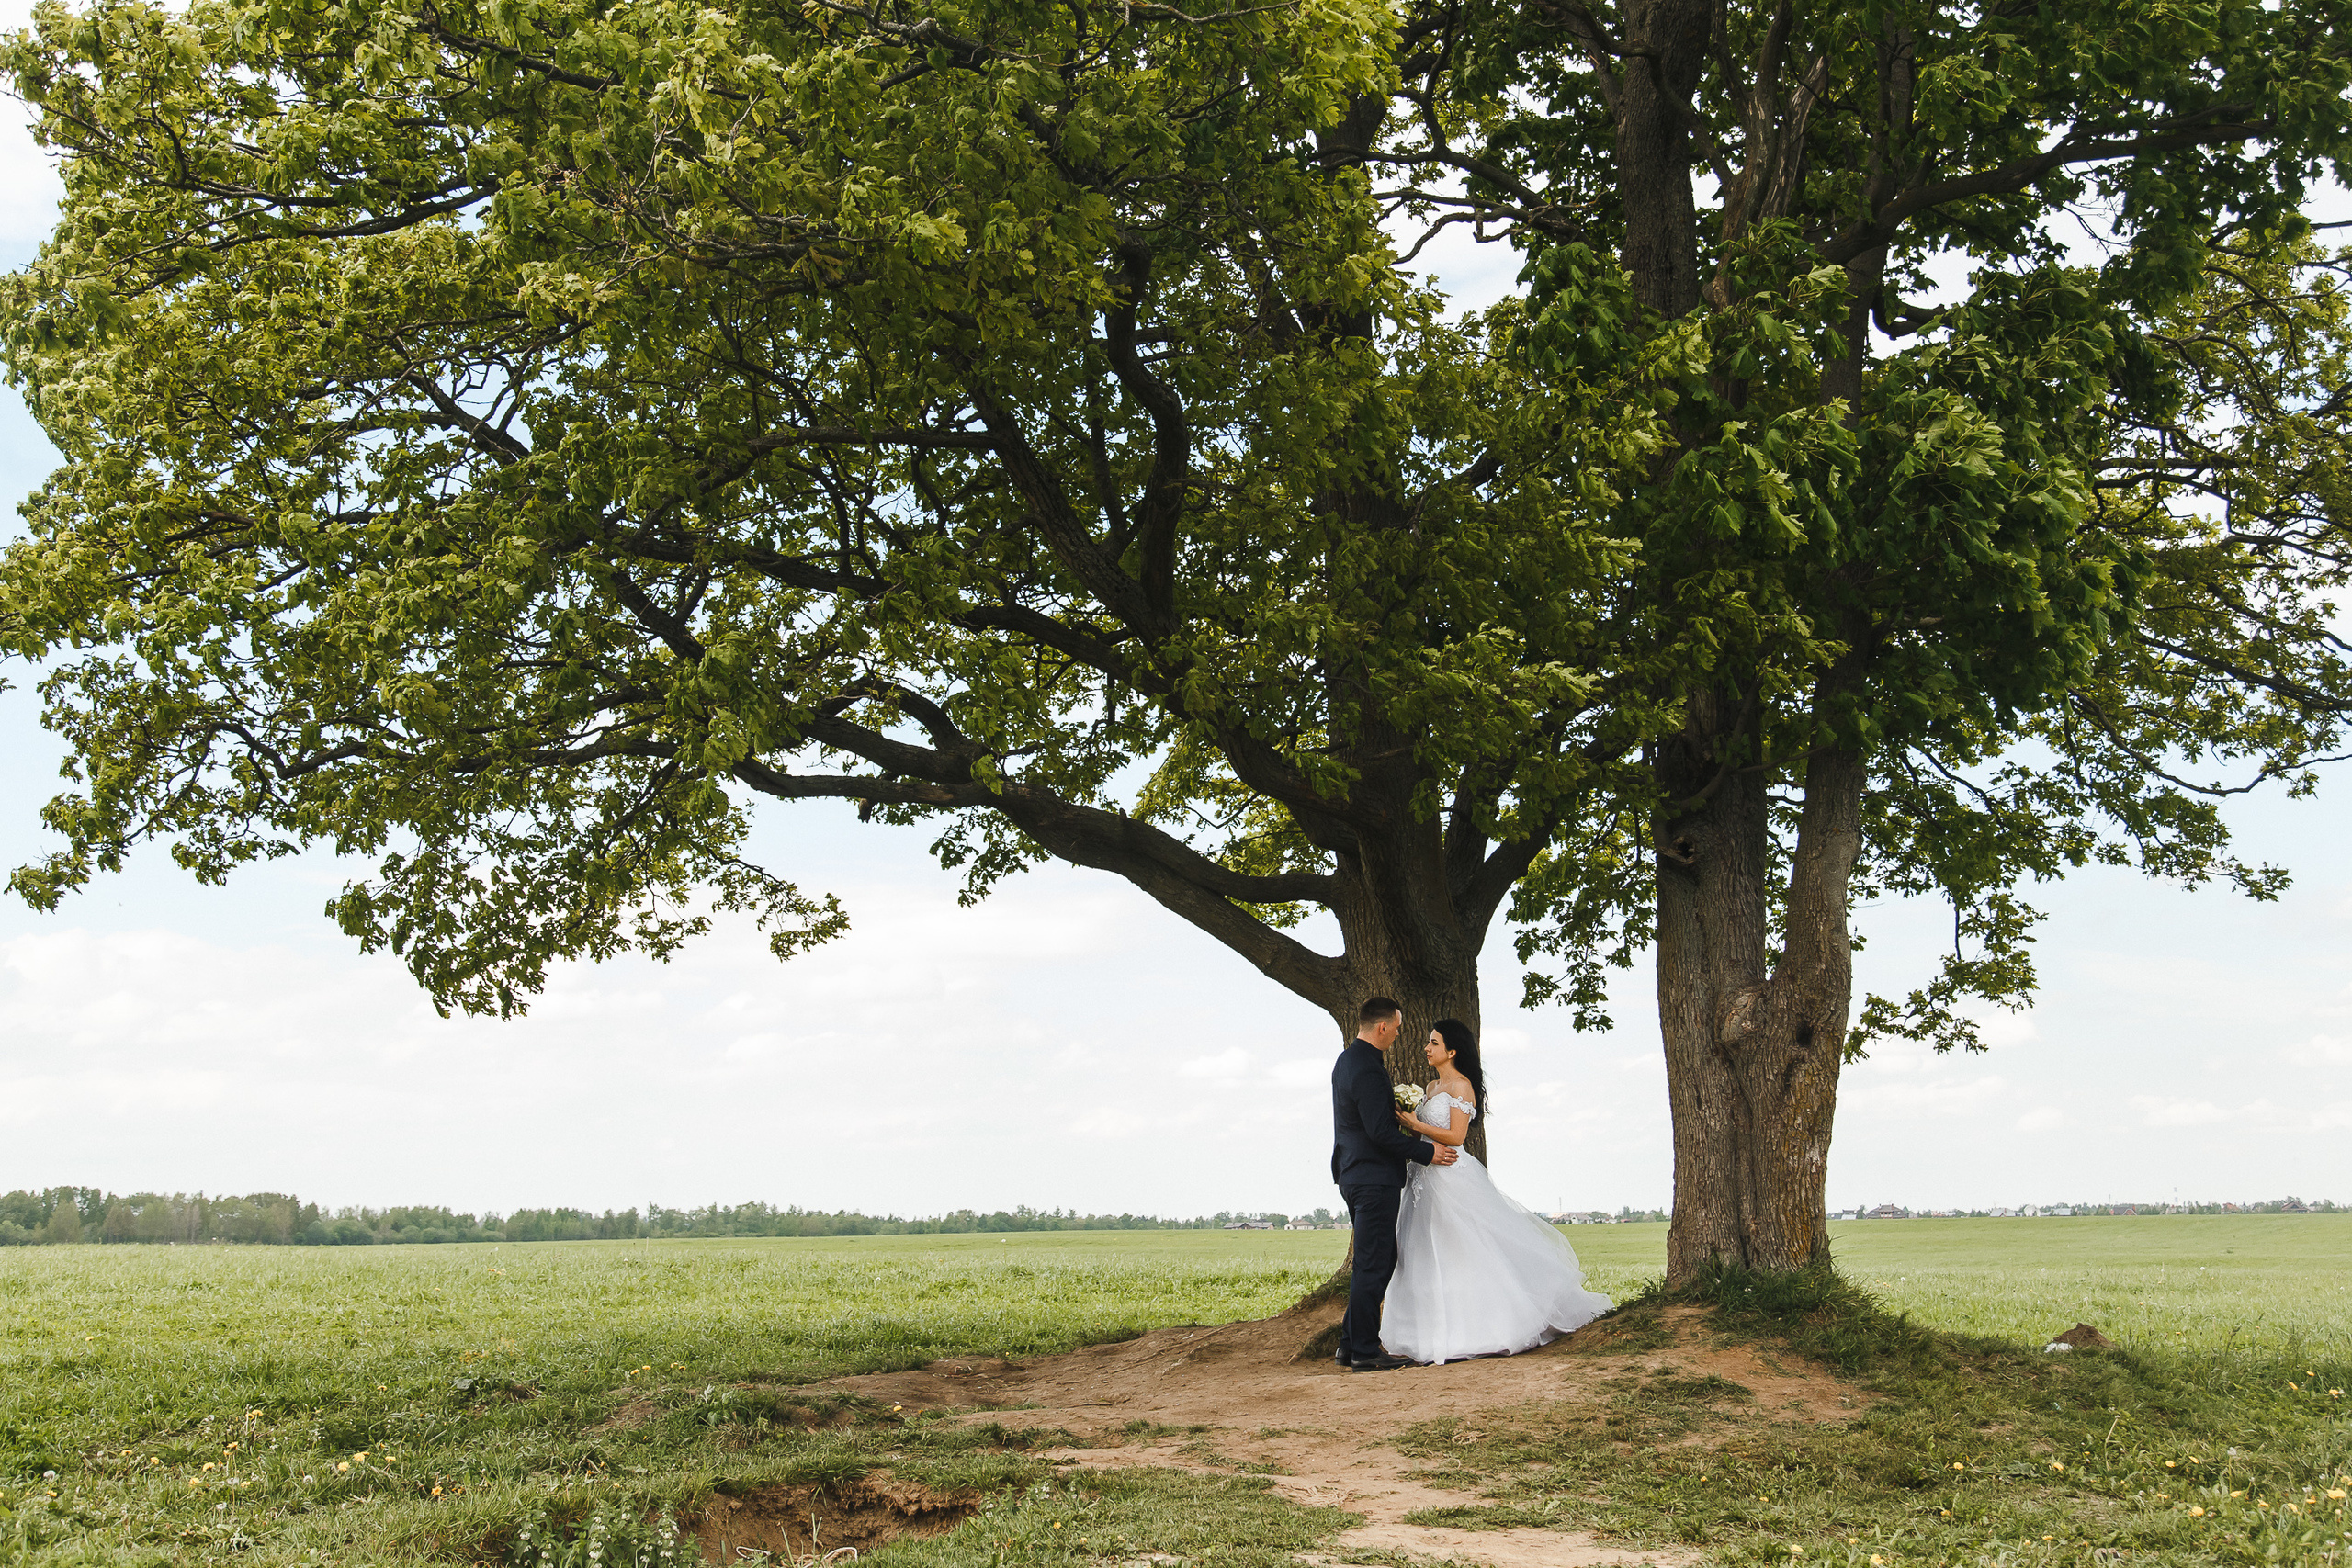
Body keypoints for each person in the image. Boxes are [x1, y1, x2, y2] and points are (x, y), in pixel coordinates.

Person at [1380, 1017, 1611, 1363]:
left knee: (1463, 1250)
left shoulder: (1462, 1087)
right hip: (1423, 1176)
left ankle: (1483, 1328)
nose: (1427, 1048)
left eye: (1434, 1043)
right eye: (1428, 1043)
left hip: (1451, 1177)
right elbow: (1426, 1136)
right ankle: (1424, 1333)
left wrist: (1416, 1123)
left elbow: (1457, 1137)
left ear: (1452, 1051)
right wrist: (1411, 1124)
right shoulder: (1429, 1089)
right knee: (1423, 1251)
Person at [1330, 997, 1459, 1371]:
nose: (1400, 1034)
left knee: (1380, 1258)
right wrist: (1426, 1153)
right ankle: (1366, 1353)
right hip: (1371, 1177)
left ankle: (1349, 1344)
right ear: (1383, 1027)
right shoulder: (1368, 1069)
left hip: (1355, 1172)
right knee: (1373, 1263)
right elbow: (1381, 1132)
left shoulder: (1346, 1061)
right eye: (1398, 1027)